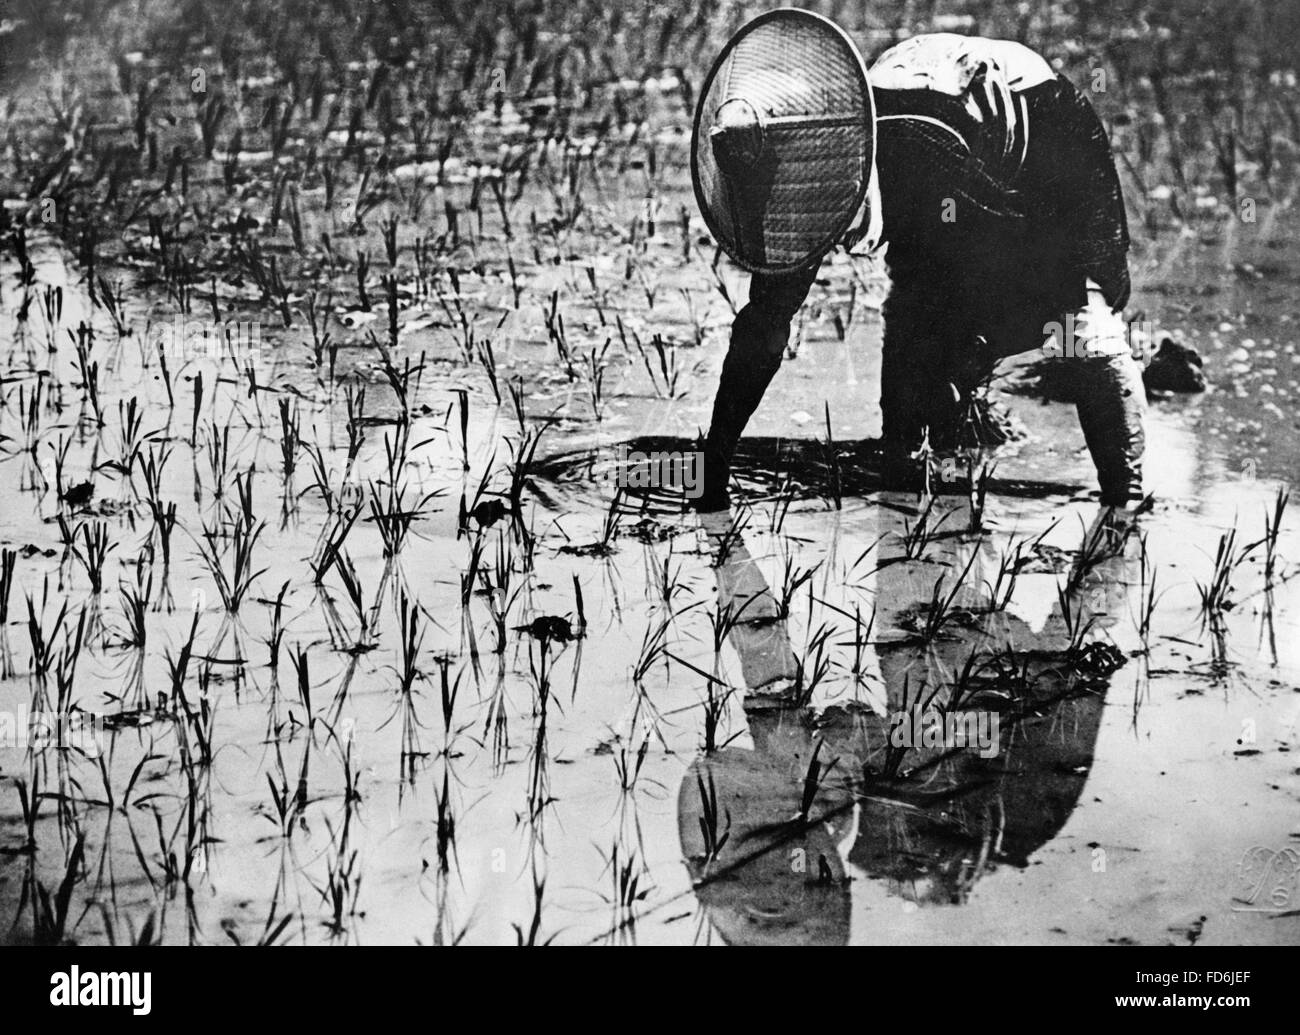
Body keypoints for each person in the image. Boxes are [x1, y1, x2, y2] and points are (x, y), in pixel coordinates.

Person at [698, 32, 1146, 510]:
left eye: (838, 223)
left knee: (1079, 320)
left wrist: (973, 352)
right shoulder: (791, 176)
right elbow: (763, 322)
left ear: (856, 177)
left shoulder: (928, 155)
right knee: (910, 428)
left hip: (1046, 137)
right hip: (927, 147)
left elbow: (986, 275)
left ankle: (1126, 501)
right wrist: (714, 463)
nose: (838, 244)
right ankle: (934, 454)